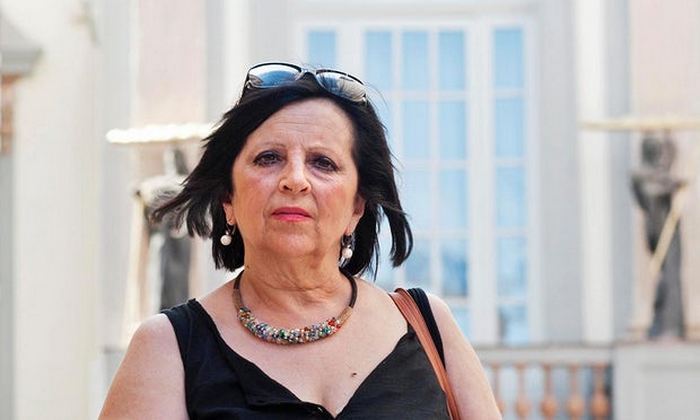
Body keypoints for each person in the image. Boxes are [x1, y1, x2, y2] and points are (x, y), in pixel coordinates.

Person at [100, 62, 501, 419]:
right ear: (228, 199)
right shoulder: (166, 348)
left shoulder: (429, 326)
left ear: (357, 206)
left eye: (323, 163)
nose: (295, 179)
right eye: (269, 158)